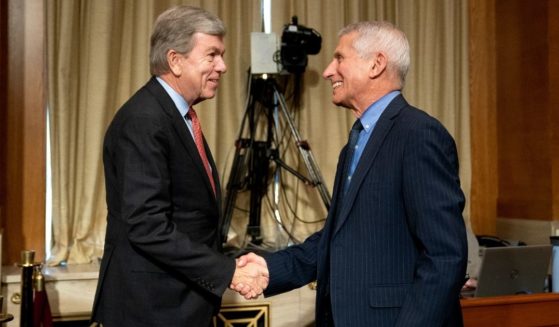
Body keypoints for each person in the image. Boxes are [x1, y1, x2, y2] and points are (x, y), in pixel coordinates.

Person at [234, 21, 468, 326]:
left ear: (376, 64)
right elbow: (338, 239)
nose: (329, 70)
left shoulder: (418, 135)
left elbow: (445, 256)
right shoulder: (355, 144)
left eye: (339, 58)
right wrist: (269, 268)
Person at [90, 6, 268, 327]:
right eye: (212, 55)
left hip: (176, 304)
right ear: (175, 60)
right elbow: (147, 226)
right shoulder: (144, 120)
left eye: (222, 55)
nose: (223, 67)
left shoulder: (174, 116)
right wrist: (228, 271)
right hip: (150, 309)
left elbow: (190, 217)